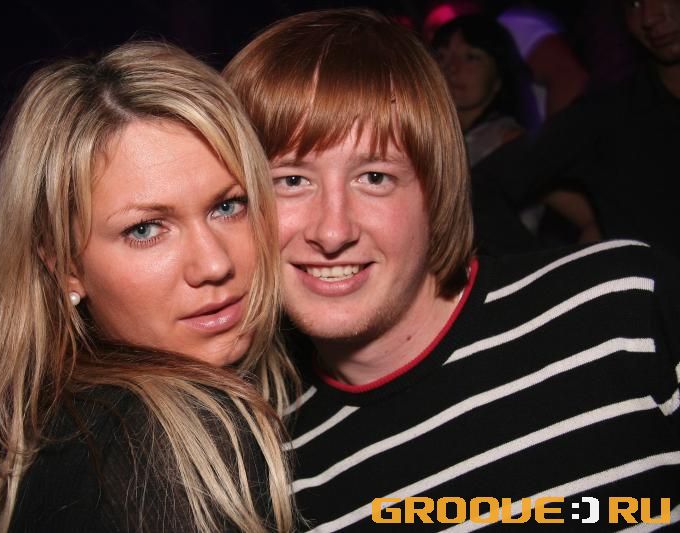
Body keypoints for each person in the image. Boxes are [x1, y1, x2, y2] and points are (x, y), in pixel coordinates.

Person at [224, 9, 680, 531]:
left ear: (436, 191)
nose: (332, 232)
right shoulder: (271, 480)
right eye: (290, 180)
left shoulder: (621, 308)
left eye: (374, 177)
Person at [0, 41, 297, 533]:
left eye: (227, 206)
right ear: (64, 267)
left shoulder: (72, 427)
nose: (214, 264)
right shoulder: (173, 443)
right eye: (144, 229)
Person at [477, 0, 680, 256]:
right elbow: (481, 186)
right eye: (633, 4)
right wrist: (548, 272)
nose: (649, 17)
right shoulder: (610, 114)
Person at [433, 14, 530, 166]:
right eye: (441, 57)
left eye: (471, 57)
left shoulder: (509, 143)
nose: (451, 67)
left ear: (498, 76)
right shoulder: (422, 136)